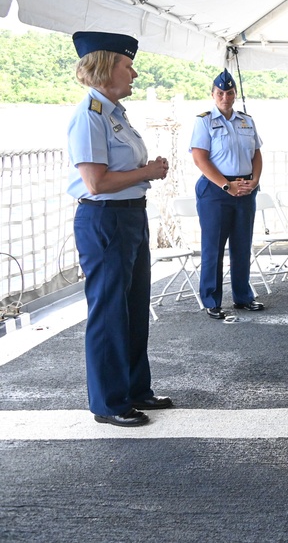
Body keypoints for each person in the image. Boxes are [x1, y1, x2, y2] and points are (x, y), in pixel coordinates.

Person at [67, 31, 172, 427]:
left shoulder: (114, 114)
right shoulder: (90, 116)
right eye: (128, 66)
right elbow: (96, 183)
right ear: (106, 67)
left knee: (132, 306)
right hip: (105, 219)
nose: (134, 73)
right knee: (110, 310)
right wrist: (148, 172)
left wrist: (143, 175)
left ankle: (135, 388)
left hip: (130, 215)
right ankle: (109, 402)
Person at [190, 70, 264, 319]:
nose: (225, 97)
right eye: (220, 93)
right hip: (216, 191)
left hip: (244, 189)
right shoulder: (204, 121)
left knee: (242, 245)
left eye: (229, 93)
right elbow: (200, 158)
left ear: (235, 94)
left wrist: (254, 181)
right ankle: (212, 300)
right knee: (214, 247)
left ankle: (243, 297)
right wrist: (226, 186)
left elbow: (256, 153)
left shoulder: (246, 121)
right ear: (213, 95)